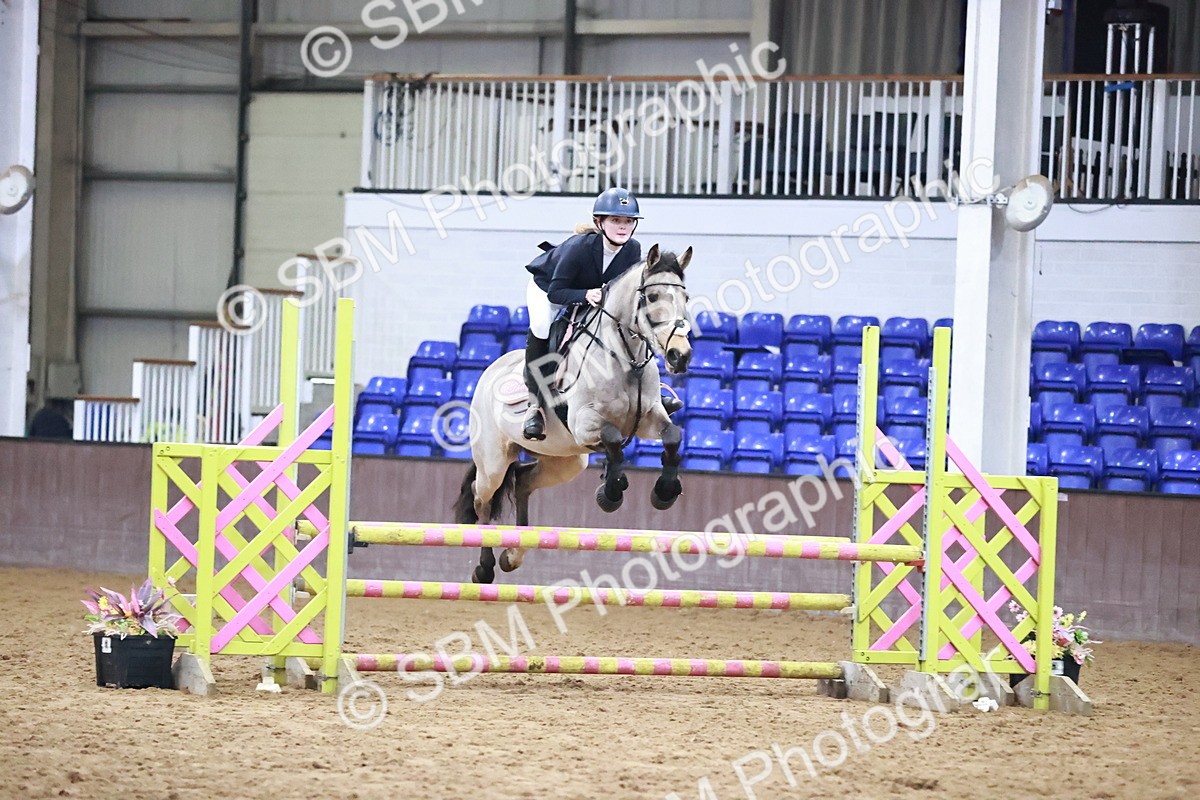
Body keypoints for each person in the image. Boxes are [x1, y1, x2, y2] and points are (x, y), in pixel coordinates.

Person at [521, 187, 645, 441]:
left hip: (593, 293)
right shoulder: (579, 247)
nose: (623, 227)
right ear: (599, 222)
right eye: (615, 220)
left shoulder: (633, 249)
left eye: (628, 221)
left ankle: (647, 388)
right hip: (549, 288)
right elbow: (557, 292)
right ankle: (535, 406)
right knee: (544, 326)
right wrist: (584, 295)